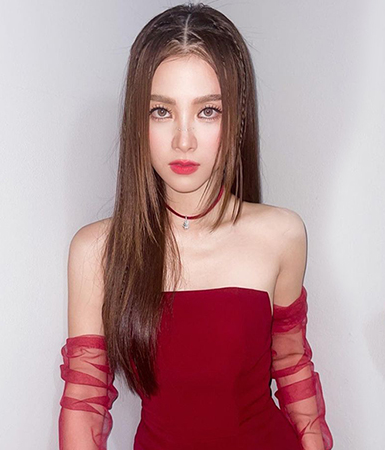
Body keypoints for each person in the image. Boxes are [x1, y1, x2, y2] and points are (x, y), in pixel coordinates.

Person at [59, 5, 331, 449]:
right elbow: (84, 403)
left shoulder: (282, 235)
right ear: (138, 121)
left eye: (207, 111)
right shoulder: (97, 251)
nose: (183, 140)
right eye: (161, 111)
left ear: (237, 119)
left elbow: (292, 363)